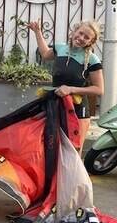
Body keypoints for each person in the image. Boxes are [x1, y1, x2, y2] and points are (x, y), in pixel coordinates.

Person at [28, 19, 104, 150]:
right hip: (55, 104)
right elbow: (46, 54)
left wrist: (71, 89)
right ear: (74, 31)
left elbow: (99, 89)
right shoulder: (60, 48)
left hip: (78, 109)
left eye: (86, 37)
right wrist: (37, 32)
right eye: (80, 33)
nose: (81, 38)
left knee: (74, 150)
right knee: (52, 147)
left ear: (91, 42)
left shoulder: (92, 60)